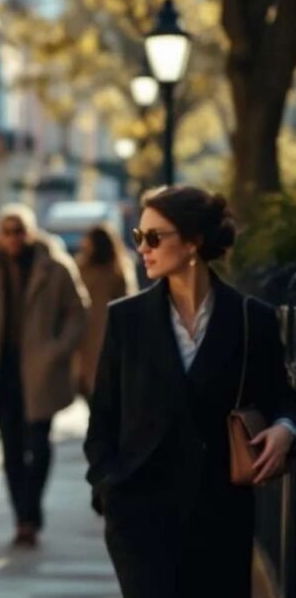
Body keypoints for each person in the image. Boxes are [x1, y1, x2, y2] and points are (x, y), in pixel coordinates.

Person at [85, 186, 296, 598]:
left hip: (221, 517)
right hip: (140, 520)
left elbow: (281, 396)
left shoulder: (253, 320)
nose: (143, 249)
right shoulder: (126, 320)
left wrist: (287, 427)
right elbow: (103, 420)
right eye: (137, 237)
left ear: (194, 241)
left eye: (154, 237)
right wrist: (112, 489)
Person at [0, 203, 88, 547]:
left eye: (19, 230)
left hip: (40, 371)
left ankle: (31, 509)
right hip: (4, 370)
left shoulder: (56, 268)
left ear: (31, 232)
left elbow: (78, 312)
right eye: (6, 231)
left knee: (39, 443)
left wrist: (57, 349)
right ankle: (22, 517)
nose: (13, 238)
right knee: (10, 448)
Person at [74, 225, 138, 397]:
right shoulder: (82, 267)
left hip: (105, 331)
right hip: (89, 334)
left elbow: (128, 300)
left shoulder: (119, 269)